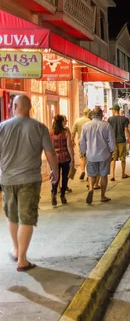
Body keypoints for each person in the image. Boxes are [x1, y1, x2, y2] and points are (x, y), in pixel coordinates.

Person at [1, 95, 58, 272]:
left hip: (7, 179)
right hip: (30, 180)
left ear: (15, 105)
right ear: (30, 107)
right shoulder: (39, 127)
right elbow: (50, 153)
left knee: (12, 216)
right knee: (26, 218)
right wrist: (55, 171)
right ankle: (22, 260)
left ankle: (17, 250)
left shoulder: (2, 127)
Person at [80, 108, 115, 204]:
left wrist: (83, 152)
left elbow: (82, 141)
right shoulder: (106, 125)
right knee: (103, 175)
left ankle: (91, 188)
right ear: (102, 115)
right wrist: (112, 151)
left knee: (91, 174)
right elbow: (111, 140)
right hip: (104, 154)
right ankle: (102, 196)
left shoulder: (86, 126)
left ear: (92, 115)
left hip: (90, 154)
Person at [50, 115, 74, 206]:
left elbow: (49, 146)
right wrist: (72, 158)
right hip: (65, 157)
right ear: (62, 122)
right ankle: (63, 195)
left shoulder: (50, 132)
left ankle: (53, 193)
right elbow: (69, 146)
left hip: (54, 158)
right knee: (65, 176)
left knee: (55, 177)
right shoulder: (66, 131)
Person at [108, 104, 130, 181]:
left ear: (115, 110)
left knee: (113, 159)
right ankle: (123, 174)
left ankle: (112, 175)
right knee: (123, 158)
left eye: (112, 110)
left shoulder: (110, 119)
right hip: (122, 140)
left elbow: (108, 131)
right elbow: (126, 130)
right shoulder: (124, 119)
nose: (112, 111)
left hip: (113, 141)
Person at [71, 108, 91, 181]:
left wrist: (72, 140)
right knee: (89, 158)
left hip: (81, 141)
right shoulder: (90, 121)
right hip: (89, 142)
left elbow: (73, 133)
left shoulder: (77, 121)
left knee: (82, 157)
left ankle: (82, 171)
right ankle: (89, 174)